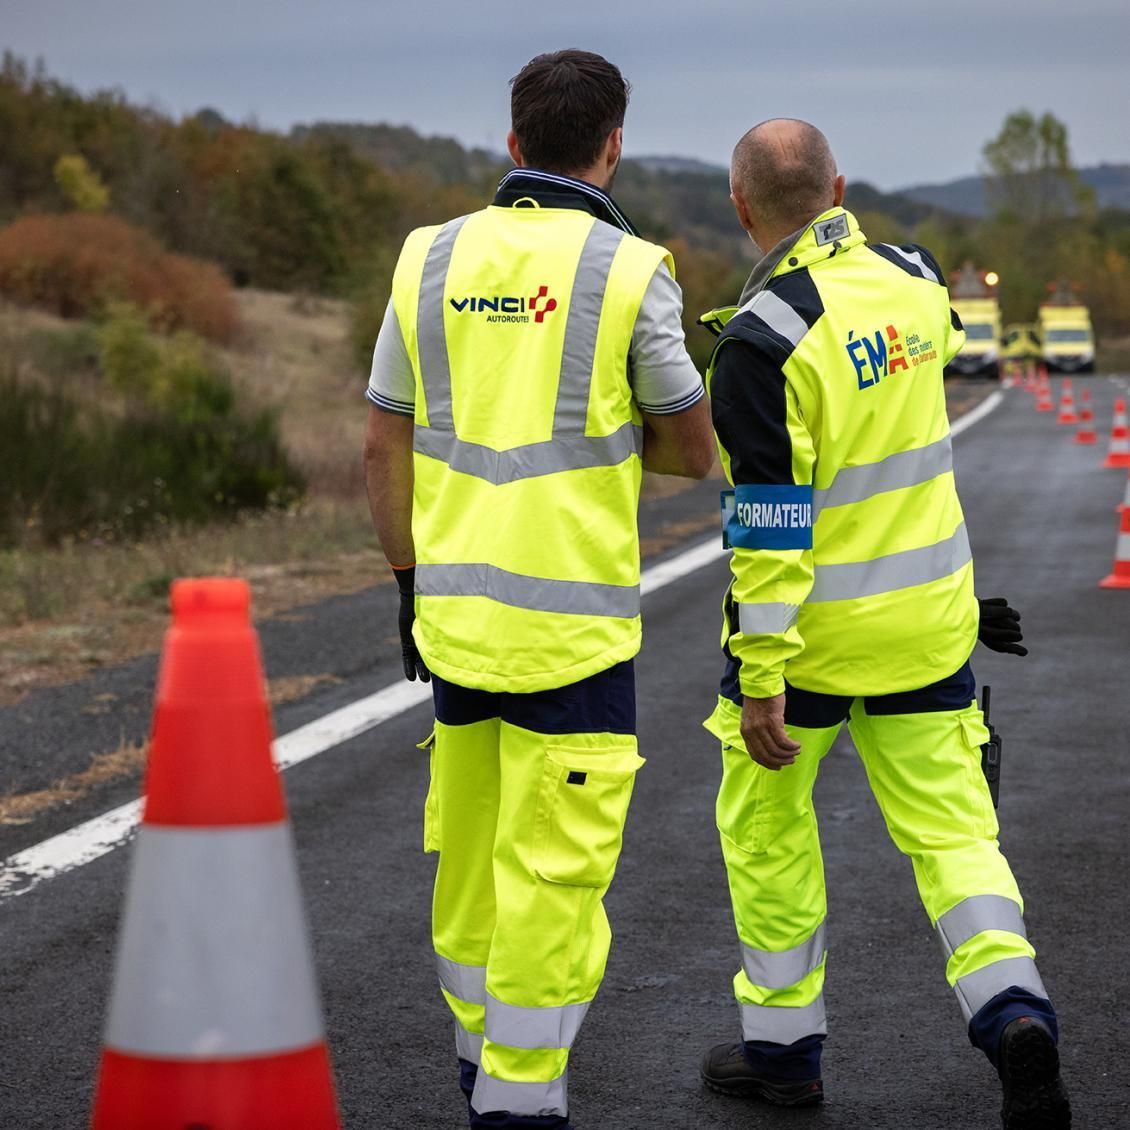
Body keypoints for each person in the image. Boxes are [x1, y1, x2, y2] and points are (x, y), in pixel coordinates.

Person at [362, 49, 714, 1130]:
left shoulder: (426, 257)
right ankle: (521, 1097)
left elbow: (384, 446)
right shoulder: (628, 269)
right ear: (612, 145)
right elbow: (693, 452)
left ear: (512, 142)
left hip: (456, 621)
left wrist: (410, 583)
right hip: (574, 638)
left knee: (466, 853)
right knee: (552, 872)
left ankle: (479, 1058)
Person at [696, 119, 1070, 1130]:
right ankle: (1010, 1008)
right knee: (954, 835)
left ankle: (782, 1050)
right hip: (925, 631)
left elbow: (768, 535)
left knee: (768, 834)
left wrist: (760, 672)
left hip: (808, 648)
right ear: (839, 187)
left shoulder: (760, 339)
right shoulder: (916, 283)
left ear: (740, 209)